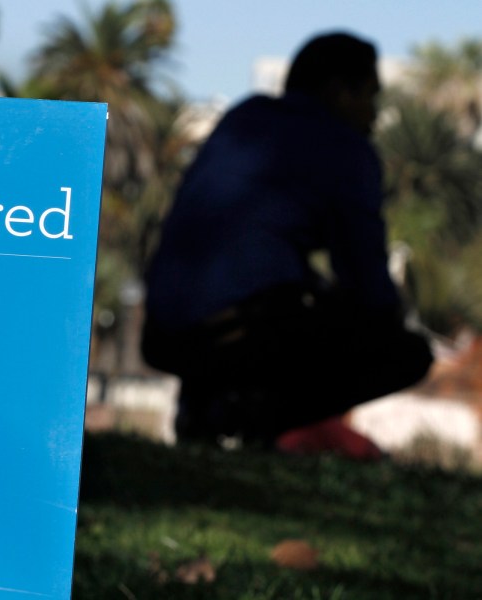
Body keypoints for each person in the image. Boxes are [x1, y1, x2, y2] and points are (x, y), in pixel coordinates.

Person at [141, 31, 433, 457]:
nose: (374, 115)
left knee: (287, 301)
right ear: (338, 91)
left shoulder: (244, 119)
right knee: (403, 351)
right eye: (369, 97)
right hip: (240, 333)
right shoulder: (345, 149)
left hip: (162, 331)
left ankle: (210, 406)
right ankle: (244, 419)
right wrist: (391, 311)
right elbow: (366, 282)